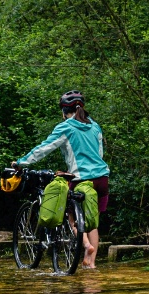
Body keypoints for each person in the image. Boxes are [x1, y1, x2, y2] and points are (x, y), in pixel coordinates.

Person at [14, 91, 109, 268]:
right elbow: (99, 153)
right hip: (102, 178)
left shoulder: (66, 127)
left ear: (64, 111)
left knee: (69, 213)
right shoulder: (95, 126)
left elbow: (45, 148)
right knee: (92, 220)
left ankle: (86, 244)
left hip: (82, 179)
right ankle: (91, 263)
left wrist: (21, 163)